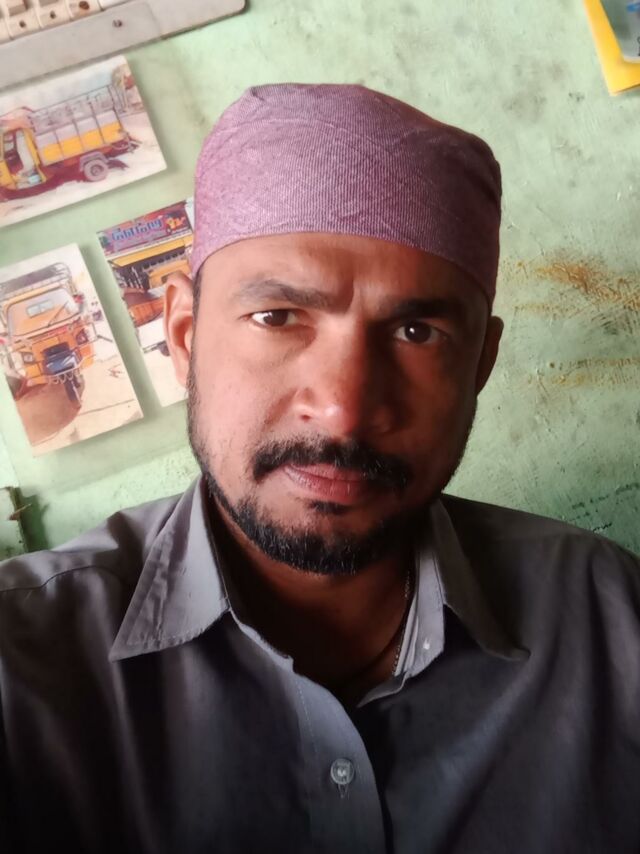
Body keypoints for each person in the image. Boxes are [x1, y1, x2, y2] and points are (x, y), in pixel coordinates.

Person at [1, 84, 638, 854]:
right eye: (278, 318)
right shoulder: (25, 662)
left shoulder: (612, 623)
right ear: (184, 333)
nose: (342, 411)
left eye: (416, 332)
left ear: (480, 363)